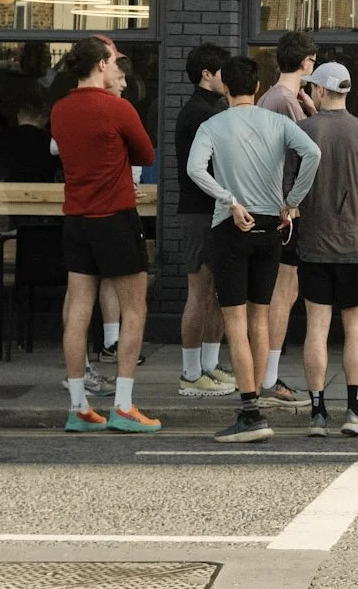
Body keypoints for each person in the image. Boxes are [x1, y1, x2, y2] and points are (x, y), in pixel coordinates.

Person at [187, 55, 322, 444]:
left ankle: (249, 414)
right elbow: (313, 154)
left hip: (231, 226)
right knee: (259, 318)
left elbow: (195, 170)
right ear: (258, 87)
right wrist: (292, 201)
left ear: (226, 88)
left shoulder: (212, 125)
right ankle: (257, 402)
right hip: (271, 226)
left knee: (235, 322)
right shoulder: (278, 122)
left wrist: (228, 199)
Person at [49, 36, 159, 433]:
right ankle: (124, 406)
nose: (117, 69)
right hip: (115, 216)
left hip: (76, 219)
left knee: (78, 311)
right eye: (113, 62)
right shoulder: (118, 107)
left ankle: (78, 406)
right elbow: (146, 154)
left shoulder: (60, 109)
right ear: (100, 65)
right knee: (134, 309)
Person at [296, 62, 358, 437]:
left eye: (313, 88)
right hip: (355, 245)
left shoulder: (304, 130)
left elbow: (288, 186)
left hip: (313, 245)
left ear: (321, 91)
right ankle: (354, 411)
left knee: (316, 328)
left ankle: (317, 413)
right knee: (355, 328)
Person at [254, 30, 318, 403]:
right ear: (307, 62)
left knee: (283, 290)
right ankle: (268, 377)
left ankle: (266, 374)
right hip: (285, 207)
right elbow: (310, 150)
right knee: (283, 290)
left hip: (276, 203)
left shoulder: (276, 97)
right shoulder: (284, 100)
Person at [174, 43, 236, 399]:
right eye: (222, 71)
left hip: (215, 209)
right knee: (199, 292)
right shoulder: (199, 112)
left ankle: (210, 365)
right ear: (207, 74)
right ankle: (190, 373)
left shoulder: (214, 108)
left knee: (217, 291)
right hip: (200, 212)